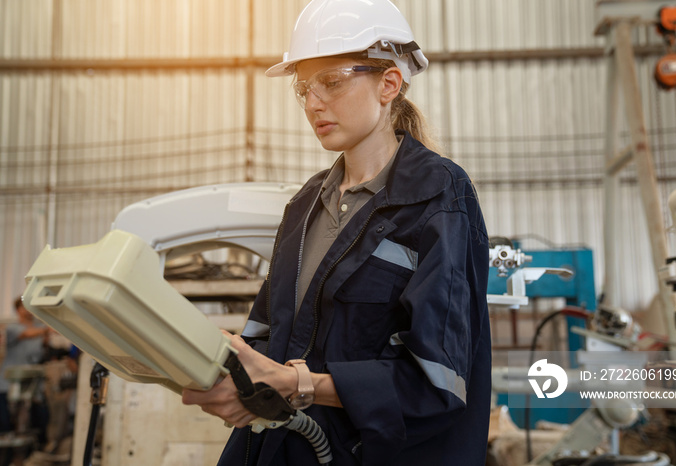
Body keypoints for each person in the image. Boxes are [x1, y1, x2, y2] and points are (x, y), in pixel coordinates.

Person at [182, 0, 491, 464]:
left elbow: (439, 382)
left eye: (331, 82)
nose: (312, 103)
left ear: (389, 83)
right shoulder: (305, 206)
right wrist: (231, 374)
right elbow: (268, 335)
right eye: (304, 87)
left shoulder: (438, 197)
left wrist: (296, 385)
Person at [0, 298, 51, 434]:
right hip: (9, 383)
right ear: (18, 310)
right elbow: (26, 334)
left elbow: (44, 348)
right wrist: (48, 329)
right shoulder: (12, 328)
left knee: (39, 420)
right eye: (25, 307)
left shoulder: (41, 328)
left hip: (32, 383)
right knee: (5, 423)